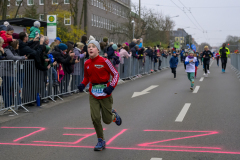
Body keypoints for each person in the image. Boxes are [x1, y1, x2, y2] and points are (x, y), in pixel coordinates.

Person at [77, 40, 122, 151]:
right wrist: (83, 84)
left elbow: (115, 74)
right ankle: (100, 141)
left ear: (98, 49)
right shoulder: (86, 63)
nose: (90, 49)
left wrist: (111, 87)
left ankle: (114, 116)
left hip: (105, 93)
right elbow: (87, 77)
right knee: (95, 118)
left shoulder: (105, 61)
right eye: (89, 47)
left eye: (93, 47)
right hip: (93, 93)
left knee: (106, 120)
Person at [2, 40, 27, 108]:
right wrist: (22, 58)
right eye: (17, 44)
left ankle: (17, 104)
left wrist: (21, 58)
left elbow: (15, 57)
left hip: (12, 72)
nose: (18, 46)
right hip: (7, 72)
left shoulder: (13, 51)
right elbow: (12, 58)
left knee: (16, 87)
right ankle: (7, 106)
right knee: (7, 89)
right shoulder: (7, 50)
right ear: (14, 44)